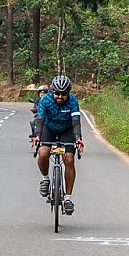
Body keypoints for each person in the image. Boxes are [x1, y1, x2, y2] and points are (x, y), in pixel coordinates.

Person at [32, 75, 84, 215]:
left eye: (64, 94)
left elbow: (76, 122)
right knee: (43, 153)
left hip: (67, 129)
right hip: (48, 128)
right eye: (57, 93)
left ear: (69, 93)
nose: (60, 96)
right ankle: (45, 179)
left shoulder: (73, 101)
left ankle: (68, 198)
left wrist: (78, 138)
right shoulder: (45, 100)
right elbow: (40, 119)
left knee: (69, 159)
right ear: (52, 91)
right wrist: (37, 135)